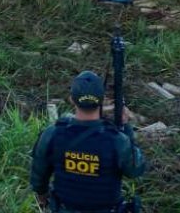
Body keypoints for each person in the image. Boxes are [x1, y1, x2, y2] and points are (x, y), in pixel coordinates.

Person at [30, 71, 146, 212]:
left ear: (72, 99)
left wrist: (43, 195)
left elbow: (38, 176)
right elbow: (135, 170)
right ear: (102, 101)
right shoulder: (117, 140)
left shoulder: (53, 133)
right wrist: (125, 126)